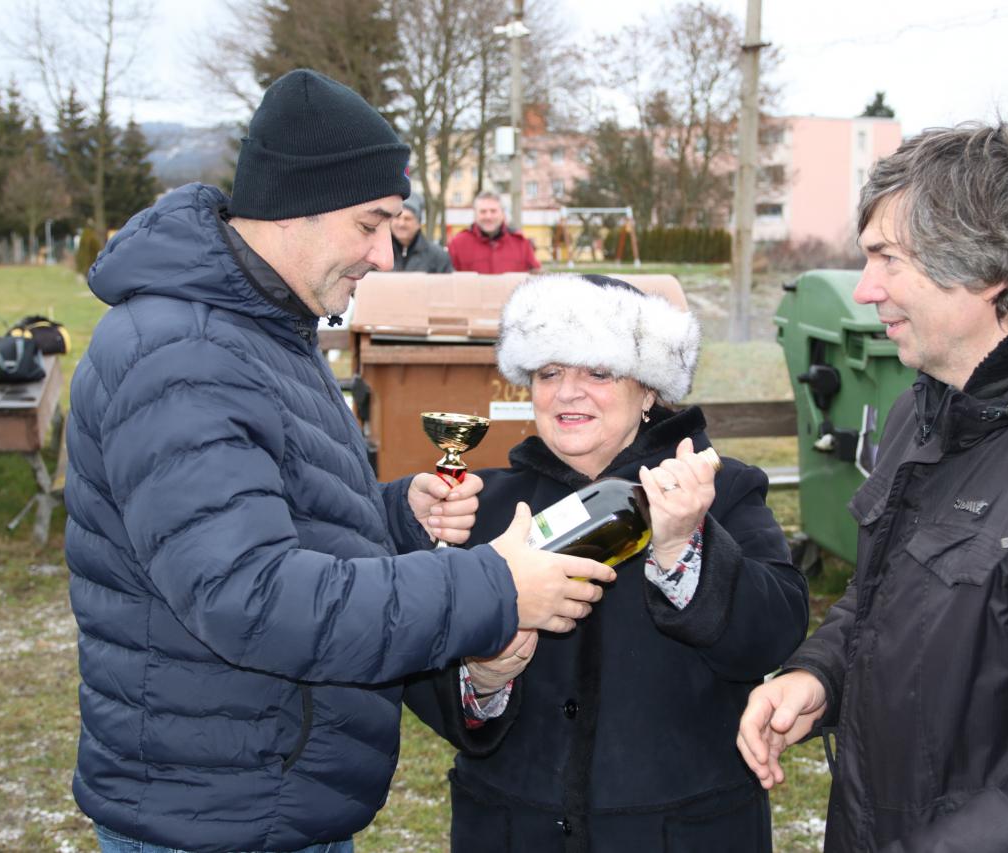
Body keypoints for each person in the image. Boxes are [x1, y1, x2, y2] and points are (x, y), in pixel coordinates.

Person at [64, 69, 615, 853]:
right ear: (297, 205)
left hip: (264, 794)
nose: (386, 254)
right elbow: (249, 595)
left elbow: (271, 513)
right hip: (217, 817)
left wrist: (395, 513)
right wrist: (494, 586)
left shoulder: (263, 328)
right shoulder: (183, 353)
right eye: (370, 224)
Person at [737, 122, 1008, 852]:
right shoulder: (929, 408)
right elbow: (887, 596)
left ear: (987, 266)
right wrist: (821, 674)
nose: (865, 289)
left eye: (887, 259)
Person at [406, 273, 810, 852]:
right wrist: (481, 681)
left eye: (598, 372)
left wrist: (683, 546)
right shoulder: (485, 506)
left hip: (680, 836)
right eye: (549, 372)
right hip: (515, 833)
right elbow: (419, 663)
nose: (568, 393)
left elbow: (772, 635)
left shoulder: (720, 491)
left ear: (648, 391)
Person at [448, 191, 542, 273]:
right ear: (475, 214)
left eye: (493, 211)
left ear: (502, 213)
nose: (488, 217)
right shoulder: (458, 244)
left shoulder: (521, 244)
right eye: (483, 212)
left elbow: (535, 278)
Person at [390, 193, 452, 272]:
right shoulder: (378, 255)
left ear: (418, 224)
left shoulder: (438, 257)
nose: (401, 224)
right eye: (397, 217)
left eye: (407, 219)